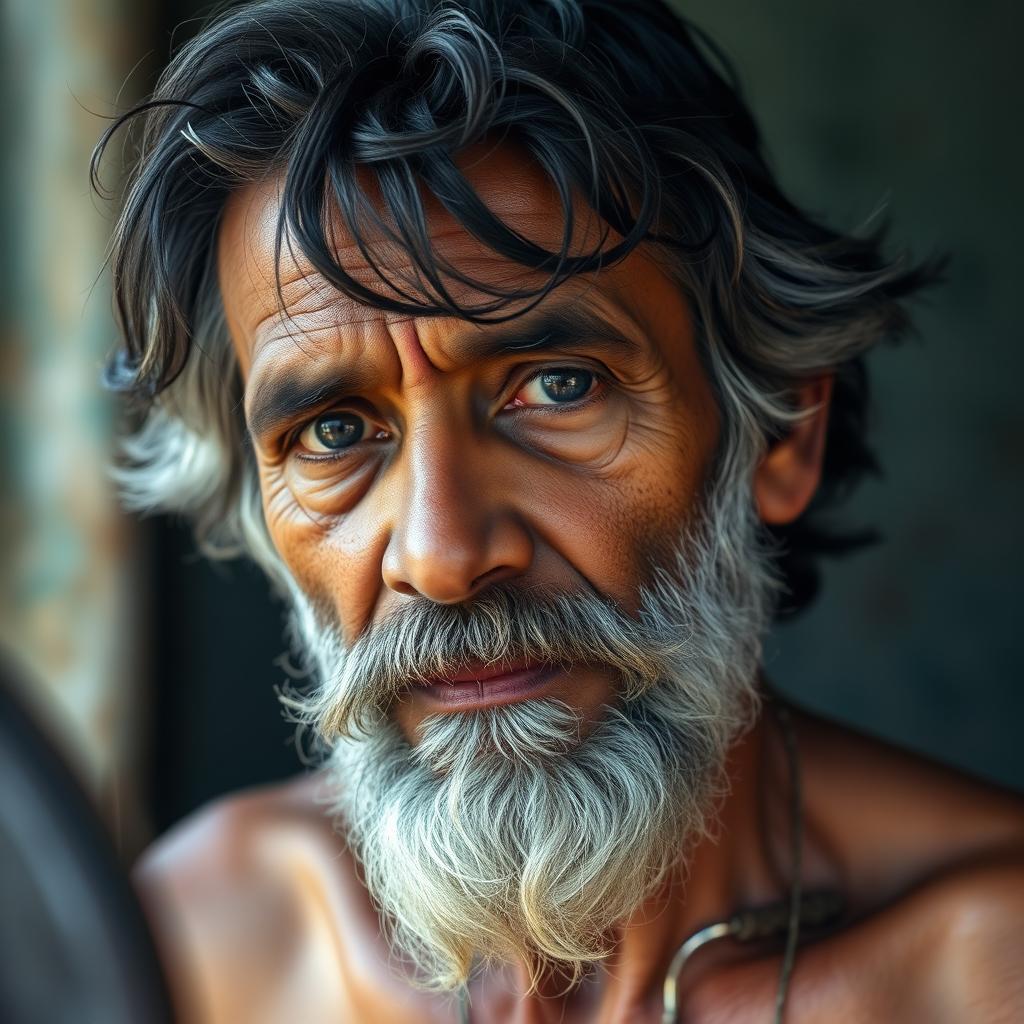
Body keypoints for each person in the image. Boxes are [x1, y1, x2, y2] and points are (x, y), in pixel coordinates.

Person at [92, 0, 1024, 1020]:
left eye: (558, 388)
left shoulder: (984, 970)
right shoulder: (206, 946)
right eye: (332, 432)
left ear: (780, 432)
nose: (443, 555)